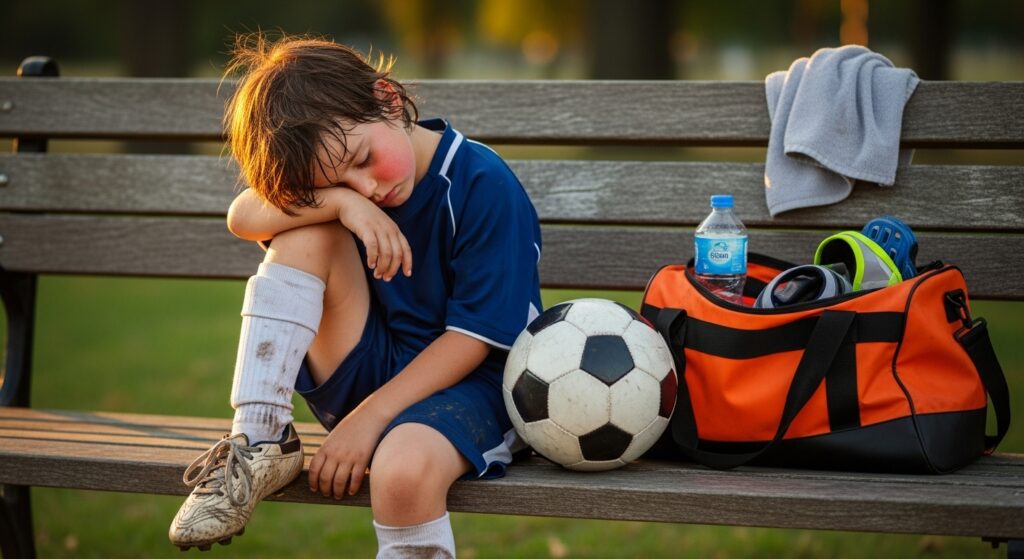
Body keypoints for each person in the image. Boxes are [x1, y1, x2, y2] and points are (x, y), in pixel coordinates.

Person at [168, 33, 543, 558]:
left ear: (388, 99)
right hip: (372, 368)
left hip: (473, 387)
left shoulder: (481, 183)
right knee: (306, 234)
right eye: (338, 182)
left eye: (363, 159)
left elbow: (472, 341)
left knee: (402, 471)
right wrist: (340, 205)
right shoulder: (353, 192)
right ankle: (260, 437)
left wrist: (368, 419)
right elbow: (242, 215)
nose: (366, 188)